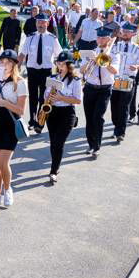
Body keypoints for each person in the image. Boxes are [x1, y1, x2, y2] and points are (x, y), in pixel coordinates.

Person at [0, 49, 27, 209]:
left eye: (8, 62)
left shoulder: (20, 83)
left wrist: (4, 103)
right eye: (2, 62)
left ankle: (8, 189)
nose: (4, 65)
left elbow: (21, 110)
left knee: (3, 163)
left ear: (14, 65)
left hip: (11, 125)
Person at [20, 13, 61, 132]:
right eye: (38, 22)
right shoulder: (30, 37)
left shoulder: (52, 39)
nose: (41, 25)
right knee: (32, 96)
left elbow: (59, 55)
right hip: (32, 71)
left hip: (46, 71)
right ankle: (32, 121)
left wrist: (61, 70)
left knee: (43, 97)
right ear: (36, 23)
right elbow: (23, 54)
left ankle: (40, 121)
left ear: (47, 24)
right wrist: (16, 68)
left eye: (43, 22)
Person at [46, 50, 82, 184]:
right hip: (53, 112)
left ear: (69, 65)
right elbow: (45, 95)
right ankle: (55, 165)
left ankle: (53, 171)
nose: (59, 65)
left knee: (59, 142)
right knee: (53, 141)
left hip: (67, 114)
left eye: (62, 63)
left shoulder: (75, 80)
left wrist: (62, 98)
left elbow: (78, 100)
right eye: (58, 63)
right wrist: (49, 97)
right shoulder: (53, 77)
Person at [82, 28, 119, 157]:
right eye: (99, 38)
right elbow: (82, 71)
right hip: (90, 87)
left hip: (104, 88)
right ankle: (90, 144)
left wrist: (104, 61)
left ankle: (96, 146)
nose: (100, 40)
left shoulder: (114, 54)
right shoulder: (91, 52)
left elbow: (114, 71)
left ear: (109, 39)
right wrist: (89, 62)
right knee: (89, 117)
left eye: (103, 38)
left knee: (98, 117)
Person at [110, 24, 139, 142]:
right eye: (124, 31)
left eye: (128, 31)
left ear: (133, 34)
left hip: (128, 80)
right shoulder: (115, 46)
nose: (125, 33)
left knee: (123, 107)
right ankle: (116, 126)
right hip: (115, 79)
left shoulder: (137, 49)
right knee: (114, 106)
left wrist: (137, 66)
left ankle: (120, 133)